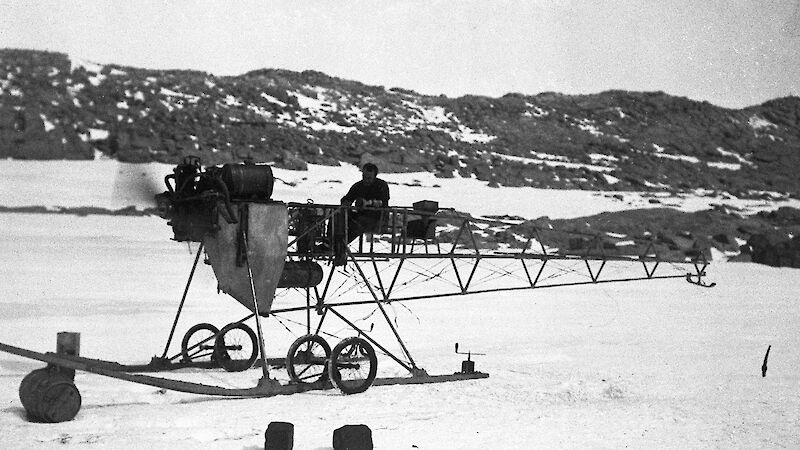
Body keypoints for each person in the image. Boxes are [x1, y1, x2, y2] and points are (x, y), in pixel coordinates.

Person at [338, 162, 390, 244]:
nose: (366, 180)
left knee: (359, 223)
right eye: (364, 177)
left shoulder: (381, 185)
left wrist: (369, 203)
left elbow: (383, 202)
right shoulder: (358, 186)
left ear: (374, 176)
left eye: (369, 178)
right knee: (337, 215)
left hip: (377, 219)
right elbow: (348, 198)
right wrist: (346, 202)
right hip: (360, 215)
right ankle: (330, 240)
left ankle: (340, 244)